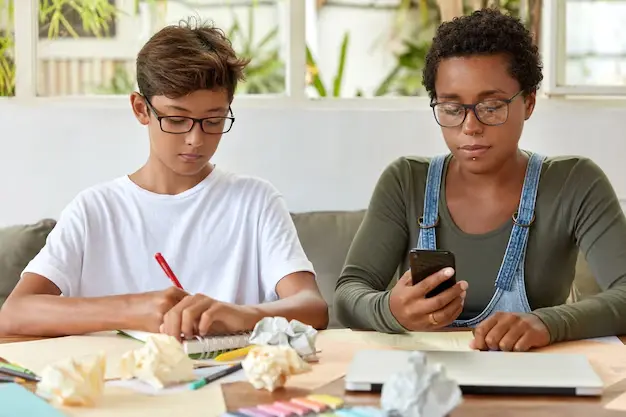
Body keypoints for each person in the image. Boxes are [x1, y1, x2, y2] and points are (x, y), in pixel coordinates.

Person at [0, 18, 328, 339]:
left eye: (213, 121)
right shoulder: (95, 210)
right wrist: (132, 309)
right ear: (141, 109)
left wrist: (239, 315)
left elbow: (313, 307)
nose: (195, 140)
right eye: (176, 119)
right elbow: (14, 313)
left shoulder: (254, 201)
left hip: (229, 385)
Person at [334, 8, 626, 352]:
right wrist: (391, 311)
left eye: (490, 106)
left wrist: (548, 323)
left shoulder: (575, 183)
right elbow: (348, 293)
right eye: (452, 108)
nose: (470, 127)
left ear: (529, 102)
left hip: (531, 381)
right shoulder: (405, 182)